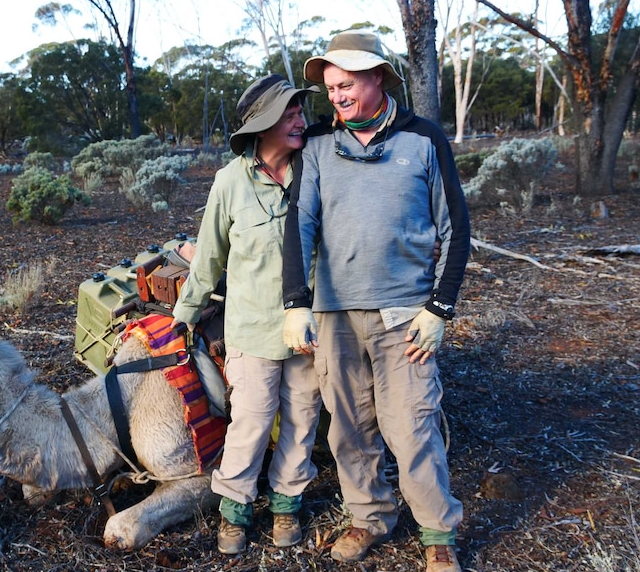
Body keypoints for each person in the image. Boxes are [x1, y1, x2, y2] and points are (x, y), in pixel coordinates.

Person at [281, 31, 471, 572]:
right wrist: (297, 301)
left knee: (411, 424)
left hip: (406, 315)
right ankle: (368, 517)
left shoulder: (422, 138)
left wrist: (440, 308)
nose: (336, 95)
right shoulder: (318, 146)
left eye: (346, 85)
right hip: (334, 315)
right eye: (330, 87)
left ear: (377, 79)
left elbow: (456, 228)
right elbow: (301, 225)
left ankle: (437, 532)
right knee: (348, 426)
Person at [172, 74, 323, 555]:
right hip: (252, 330)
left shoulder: (316, 169)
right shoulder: (229, 182)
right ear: (264, 126)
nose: (301, 119)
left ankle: (286, 504)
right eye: (290, 114)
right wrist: (185, 315)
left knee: (302, 418)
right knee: (253, 421)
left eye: (300, 111)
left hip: (309, 329)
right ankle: (235, 510)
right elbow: (209, 257)